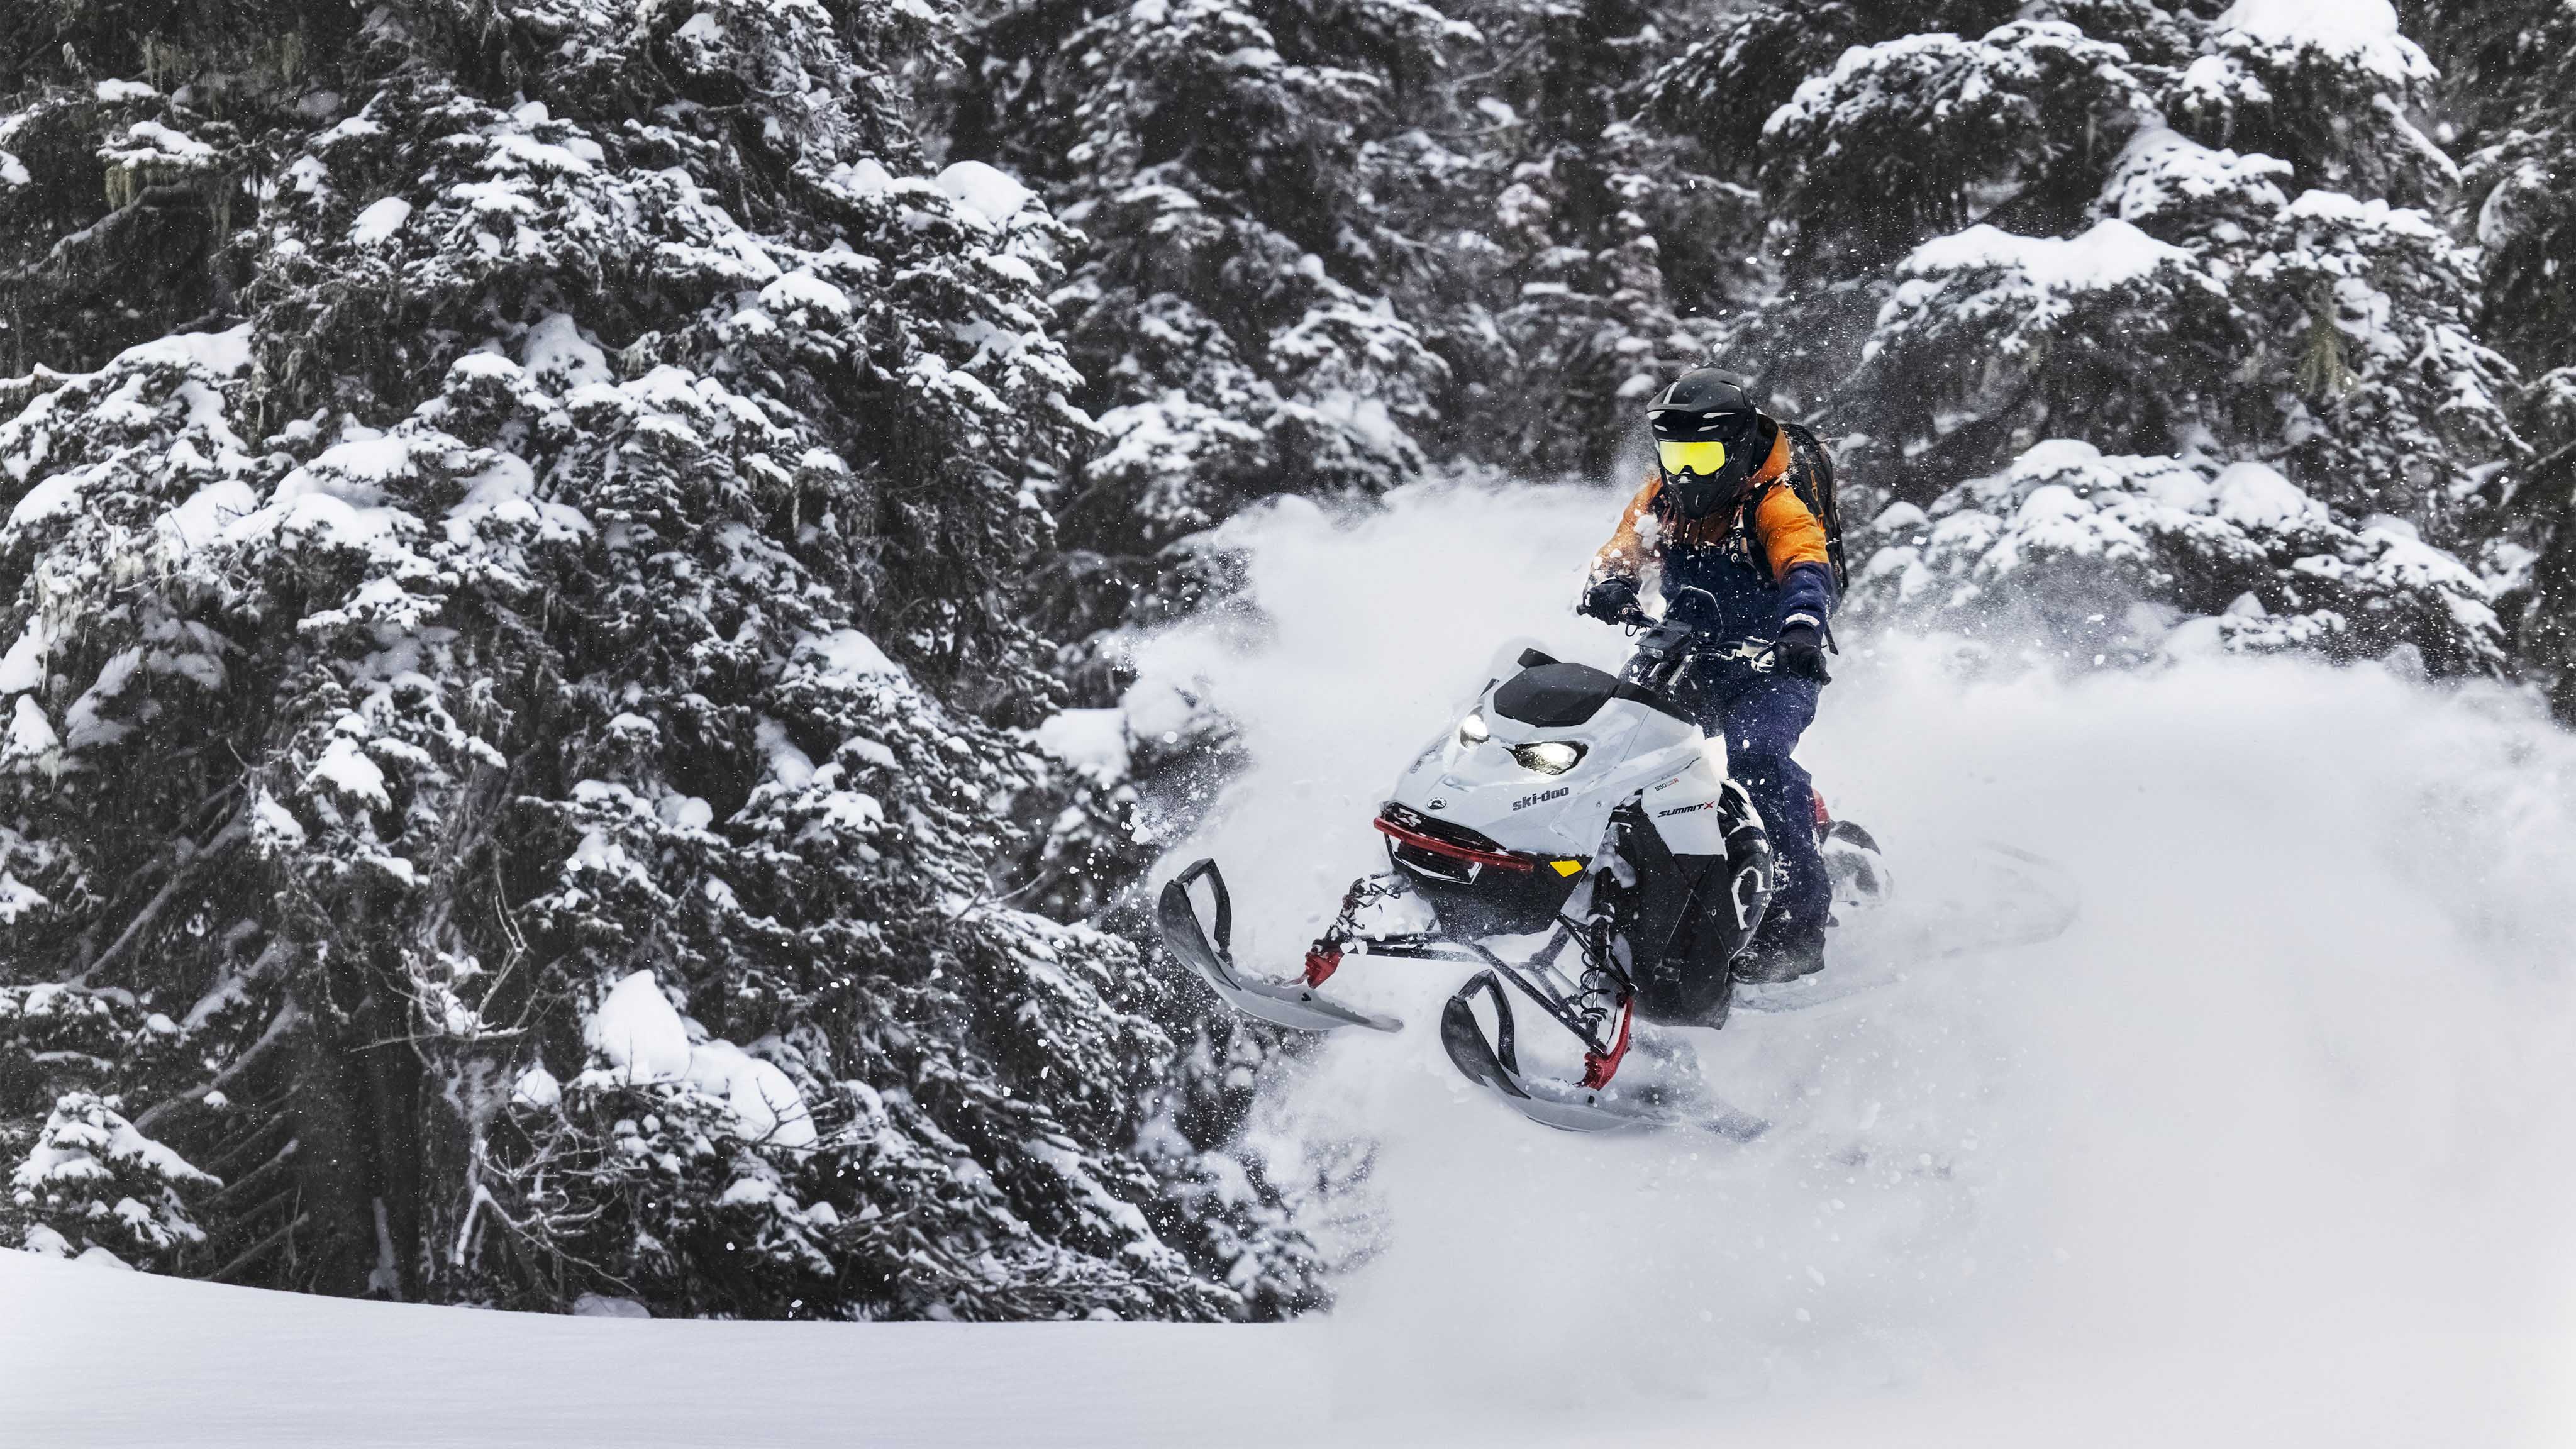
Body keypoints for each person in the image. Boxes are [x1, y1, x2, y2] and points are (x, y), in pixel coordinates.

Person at [1578, 367, 1836, 983]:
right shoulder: (1659, 499)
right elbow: (1620, 550)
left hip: (1772, 666)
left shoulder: (1774, 503)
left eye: (1700, 453)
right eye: (1674, 452)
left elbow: (1806, 563)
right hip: (1685, 657)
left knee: (1752, 760)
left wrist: (1800, 627)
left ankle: (1795, 933)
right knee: (1613, 747)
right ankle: (1599, 890)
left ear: (1737, 446)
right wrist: (1610, 585)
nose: (1685, 470)